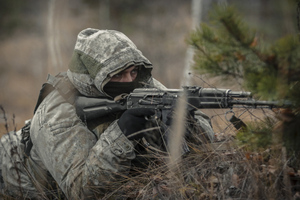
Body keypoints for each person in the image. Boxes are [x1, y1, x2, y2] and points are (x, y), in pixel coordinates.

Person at [0, 28, 215, 199]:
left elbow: (206, 139)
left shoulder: (139, 83)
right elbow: (82, 192)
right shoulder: (56, 113)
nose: (129, 81)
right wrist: (123, 131)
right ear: (93, 77)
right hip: (13, 172)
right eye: (118, 74)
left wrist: (189, 125)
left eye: (132, 71)